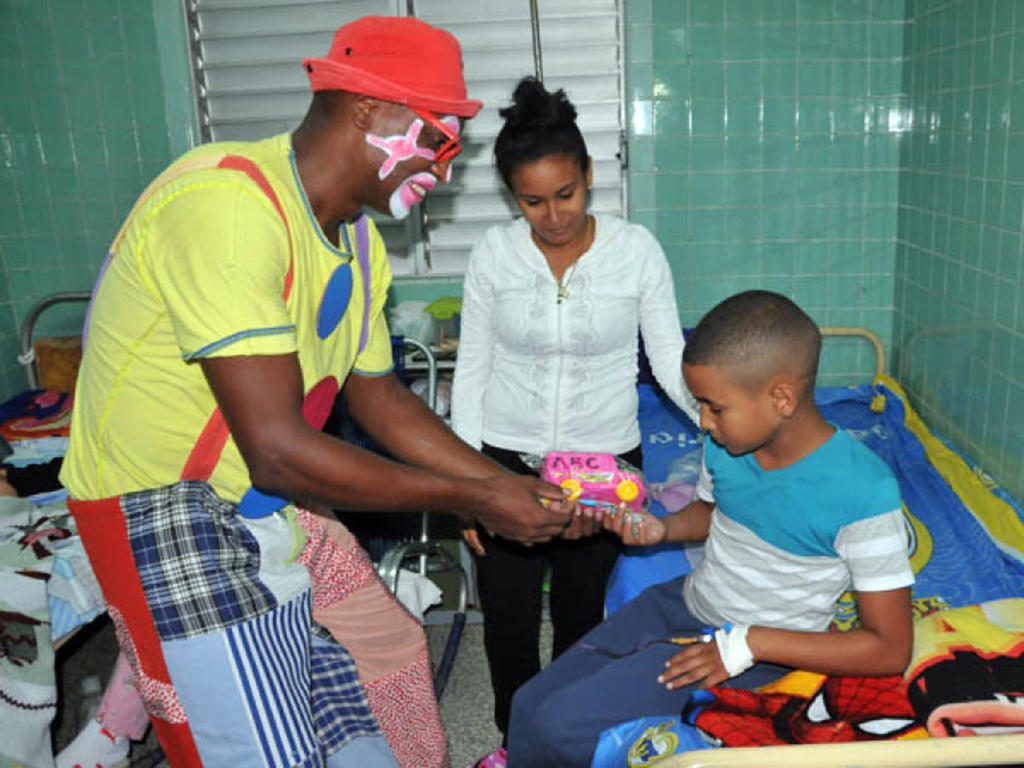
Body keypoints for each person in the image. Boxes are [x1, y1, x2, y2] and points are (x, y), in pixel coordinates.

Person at [58, 16, 572, 768]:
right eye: (439, 137)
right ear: (369, 108)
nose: (448, 167)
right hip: (162, 509)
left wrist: (505, 483)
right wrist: (474, 501)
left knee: (375, 685)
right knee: (255, 751)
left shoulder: (359, 245)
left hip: (263, 504)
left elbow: (378, 398)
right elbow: (275, 449)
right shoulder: (227, 206)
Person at [507, 290, 915, 767]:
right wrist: (658, 530)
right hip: (688, 603)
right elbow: (712, 513)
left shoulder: (864, 493)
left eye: (713, 408)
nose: (702, 421)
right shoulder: (727, 447)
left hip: (761, 653)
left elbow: (889, 648)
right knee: (528, 704)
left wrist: (749, 643)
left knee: (561, 727)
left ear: (781, 397)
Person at [450, 77, 697, 767]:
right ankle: (513, 743)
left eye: (567, 193)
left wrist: (719, 422)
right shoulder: (495, 255)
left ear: (589, 176)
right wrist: (465, 481)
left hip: (605, 470)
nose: (554, 215)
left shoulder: (636, 250)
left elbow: (671, 358)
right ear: (510, 195)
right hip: (504, 463)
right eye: (533, 201)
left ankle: (568, 739)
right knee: (506, 619)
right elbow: (472, 368)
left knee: (583, 620)